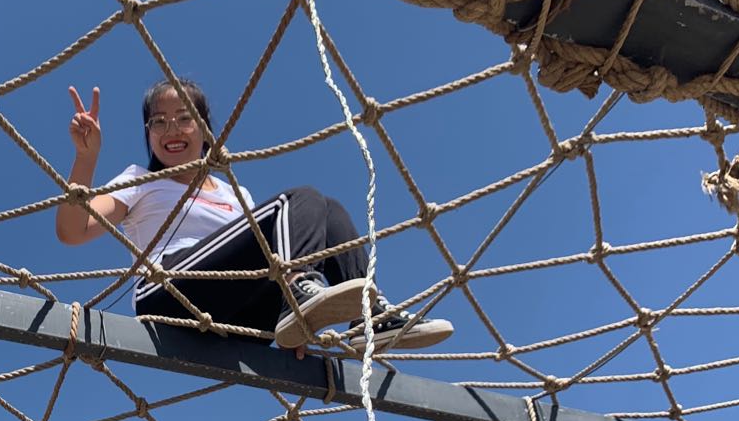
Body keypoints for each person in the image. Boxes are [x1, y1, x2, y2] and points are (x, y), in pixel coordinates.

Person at [55, 79, 453, 352]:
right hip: (169, 295)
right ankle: (299, 293)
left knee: (329, 211)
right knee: (301, 201)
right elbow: (72, 232)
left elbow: (256, 253)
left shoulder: (235, 194)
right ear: (148, 133)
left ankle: (367, 317)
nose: (171, 129)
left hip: (239, 319)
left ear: (205, 130)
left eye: (184, 117)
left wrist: (298, 328)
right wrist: (85, 159)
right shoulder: (139, 181)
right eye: (158, 121)